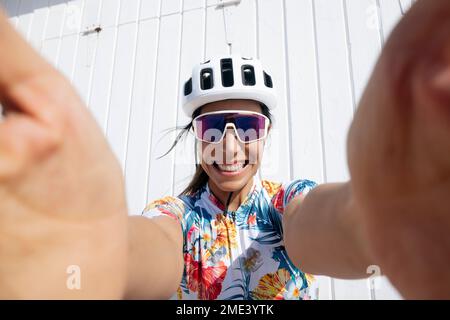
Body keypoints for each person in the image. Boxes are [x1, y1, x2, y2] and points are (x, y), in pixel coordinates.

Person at [0, 0, 448, 300]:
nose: (230, 147)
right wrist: (92, 254)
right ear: (196, 136)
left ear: (265, 134)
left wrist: (376, 222)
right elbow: (154, 244)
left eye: (247, 127)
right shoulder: (178, 216)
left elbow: (321, 224)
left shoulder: (283, 204)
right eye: (213, 128)